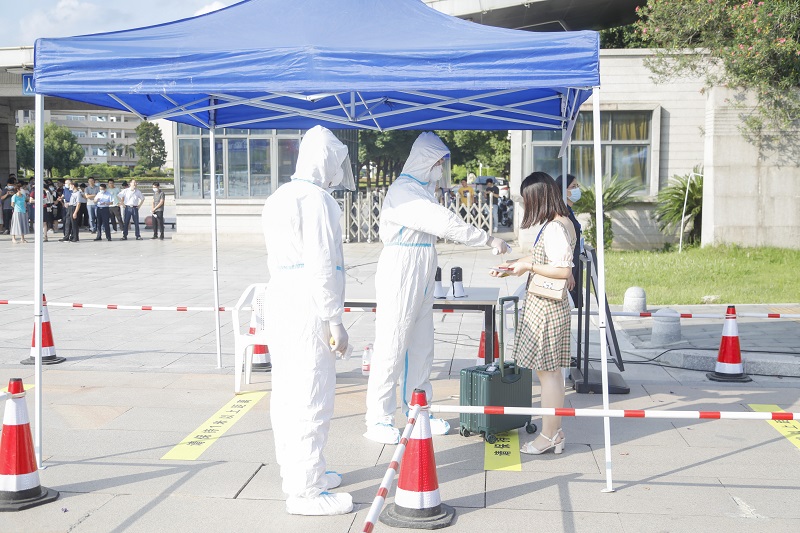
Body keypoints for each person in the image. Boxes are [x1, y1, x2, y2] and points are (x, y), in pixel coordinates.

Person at [364, 132, 511, 445]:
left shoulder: (420, 190)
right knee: (392, 344)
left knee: (422, 345)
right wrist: (487, 239)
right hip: (401, 267)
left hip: (420, 263)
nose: (441, 169)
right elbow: (445, 222)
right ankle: (378, 418)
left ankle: (418, 409)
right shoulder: (405, 191)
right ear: (426, 161)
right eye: (438, 163)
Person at [261, 125, 355, 516]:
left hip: (282, 298)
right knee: (312, 393)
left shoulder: (280, 195)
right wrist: (335, 320)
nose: (338, 170)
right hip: (308, 302)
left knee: (287, 393)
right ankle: (306, 491)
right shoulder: (318, 200)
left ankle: (299, 473)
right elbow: (322, 264)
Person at [491, 171, 576, 455]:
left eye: (528, 200)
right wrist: (514, 266)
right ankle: (555, 432)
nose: (526, 206)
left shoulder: (554, 228)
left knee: (548, 375)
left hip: (546, 307)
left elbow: (562, 270)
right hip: (550, 305)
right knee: (551, 373)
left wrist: (527, 267)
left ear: (539, 198)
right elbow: (548, 259)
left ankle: (548, 436)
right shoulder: (563, 221)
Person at [555, 174, 583, 307]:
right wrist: (568, 271)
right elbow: (562, 245)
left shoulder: (569, 210)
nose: (577, 189)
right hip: (569, 265)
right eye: (573, 186)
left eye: (577, 186)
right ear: (563, 190)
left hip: (574, 261)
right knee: (567, 302)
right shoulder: (563, 213)